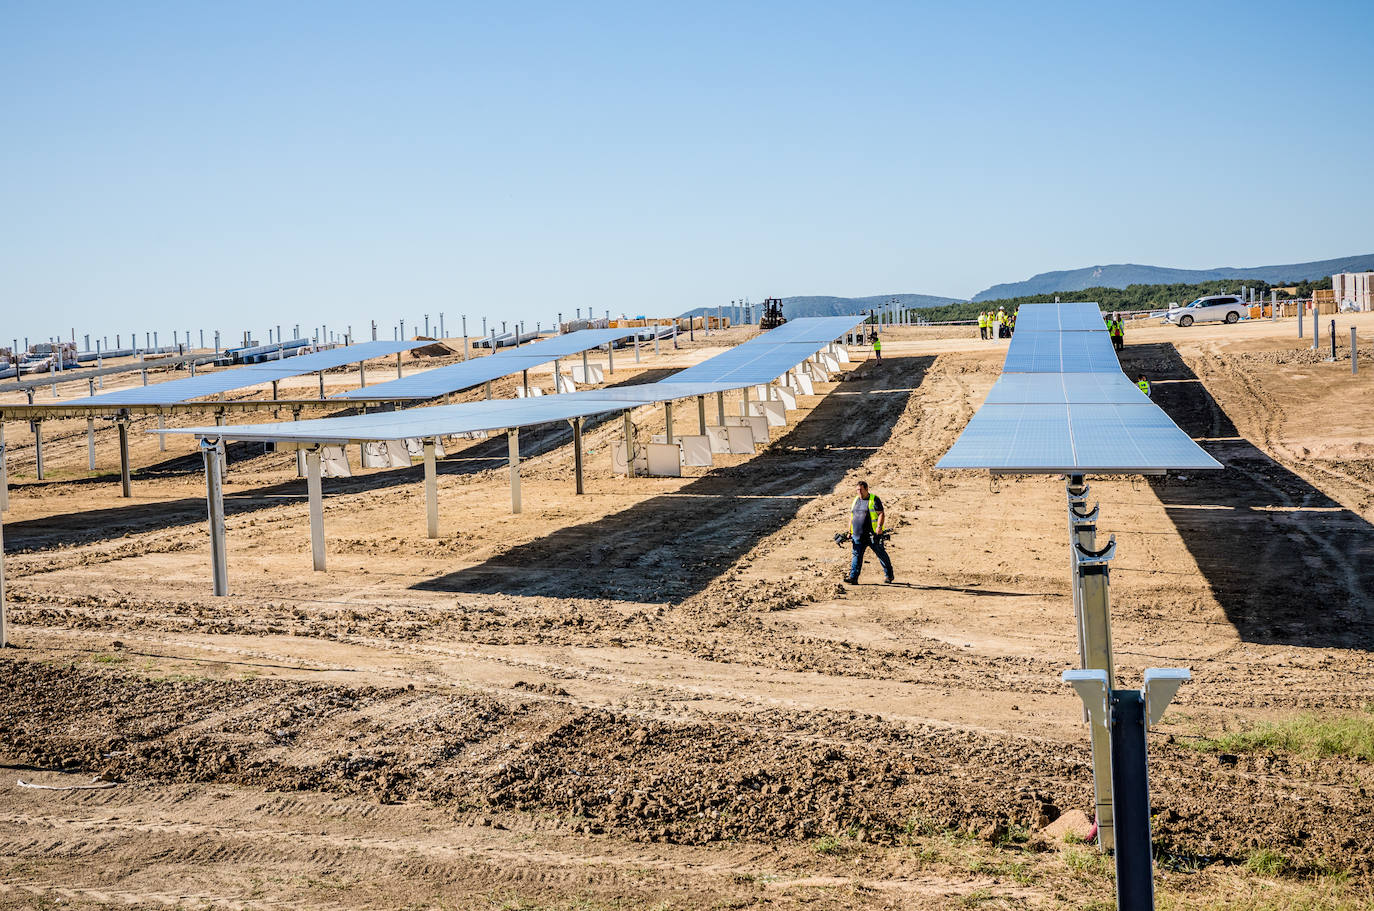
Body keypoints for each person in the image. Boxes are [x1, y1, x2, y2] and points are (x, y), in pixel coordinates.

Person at [844, 480, 894, 584]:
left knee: (881, 555)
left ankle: (889, 575)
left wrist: (879, 527)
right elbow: (852, 517)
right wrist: (849, 531)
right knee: (856, 556)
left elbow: (881, 513)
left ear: (866, 489)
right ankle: (853, 578)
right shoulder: (856, 500)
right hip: (858, 535)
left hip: (872, 535)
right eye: (857, 490)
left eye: (861, 490)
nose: (859, 492)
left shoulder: (874, 499)